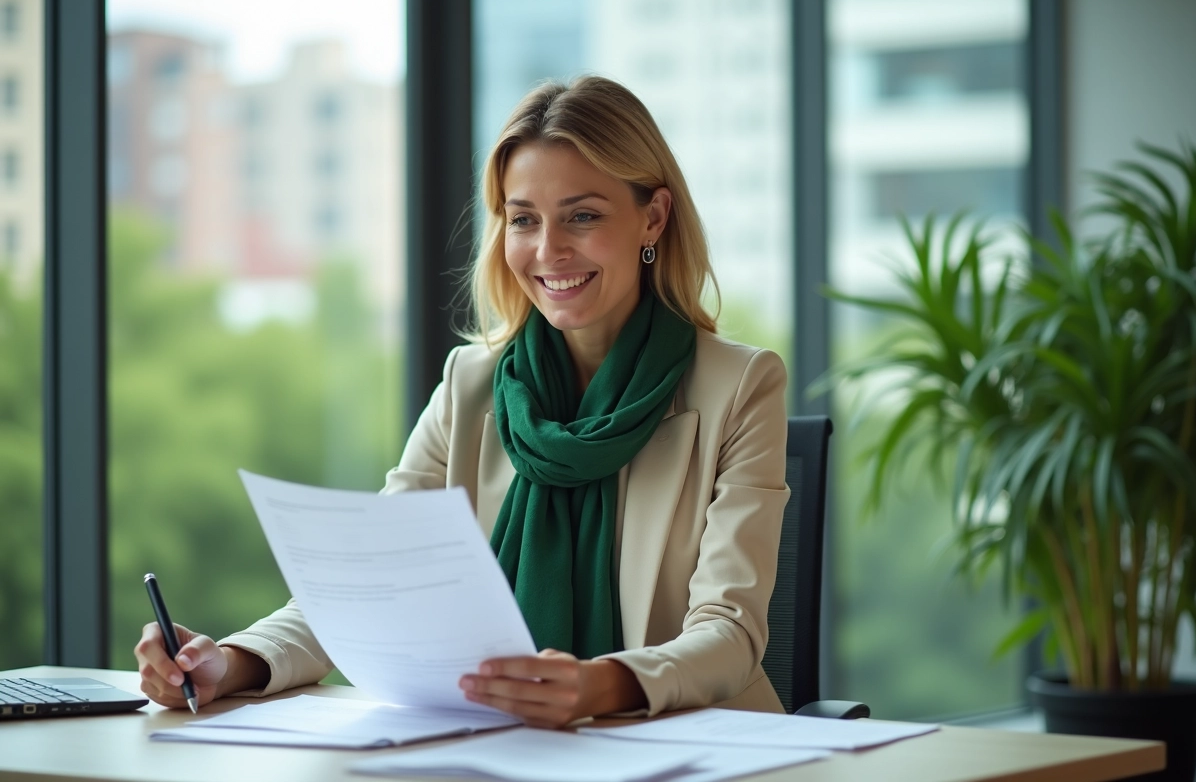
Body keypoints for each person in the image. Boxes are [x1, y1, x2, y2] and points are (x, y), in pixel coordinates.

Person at [134, 75, 790, 728]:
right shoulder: (470, 386)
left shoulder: (740, 386)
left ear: (653, 216)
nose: (548, 250)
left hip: (689, 748)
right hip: (502, 747)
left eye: (582, 216)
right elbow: (372, 586)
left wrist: (600, 687)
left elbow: (729, 633)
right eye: (523, 219)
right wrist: (229, 662)